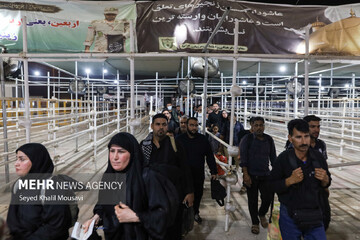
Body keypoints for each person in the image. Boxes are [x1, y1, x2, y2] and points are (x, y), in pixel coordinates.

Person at [83, 132, 173, 239]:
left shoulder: (147, 177)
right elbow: (104, 205)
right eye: (112, 151)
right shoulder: (110, 175)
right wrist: (96, 218)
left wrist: (136, 217)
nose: (115, 157)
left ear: (132, 154)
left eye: (121, 152)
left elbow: (164, 215)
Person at [269, 119, 331, 239]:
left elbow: (327, 183)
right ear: (290, 138)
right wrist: (289, 181)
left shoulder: (318, 158)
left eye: (306, 136)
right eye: (298, 137)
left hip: (314, 214)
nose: (304, 142)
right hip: (290, 215)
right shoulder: (283, 159)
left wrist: (325, 180)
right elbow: (271, 185)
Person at [140, 114, 194, 240]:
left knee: (173, 229)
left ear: (167, 126)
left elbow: (185, 169)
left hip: (173, 196)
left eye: (164, 124)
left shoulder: (175, 145)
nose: (161, 127)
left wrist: (190, 192)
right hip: (151, 197)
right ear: (152, 126)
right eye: (158, 124)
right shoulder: (144, 146)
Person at [7, 143, 72, 240]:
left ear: (36, 161)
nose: (16, 163)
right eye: (17, 159)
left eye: (22, 159)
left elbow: (56, 227)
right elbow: (12, 218)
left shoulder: (53, 188)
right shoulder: (18, 184)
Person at [239, 116, 276, 234]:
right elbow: (243, 159)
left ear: (264, 126)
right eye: (256, 125)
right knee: (252, 200)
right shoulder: (247, 139)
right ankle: (255, 222)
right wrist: (245, 175)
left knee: (267, 198)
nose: (259, 128)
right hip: (251, 175)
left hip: (265, 174)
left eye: (261, 125)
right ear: (252, 126)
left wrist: (277, 172)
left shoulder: (269, 140)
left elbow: (273, 158)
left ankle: (261, 214)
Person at [176, 117, 218, 224]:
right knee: (181, 195)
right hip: (182, 175)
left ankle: (195, 213)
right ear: (187, 126)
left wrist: (213, 171)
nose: (194, 128)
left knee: (198, 194)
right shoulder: (179, 140)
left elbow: (209, 156)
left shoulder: (203, 139)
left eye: (196, 125)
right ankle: (182, 215)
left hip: (198, 173)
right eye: (191, 125)